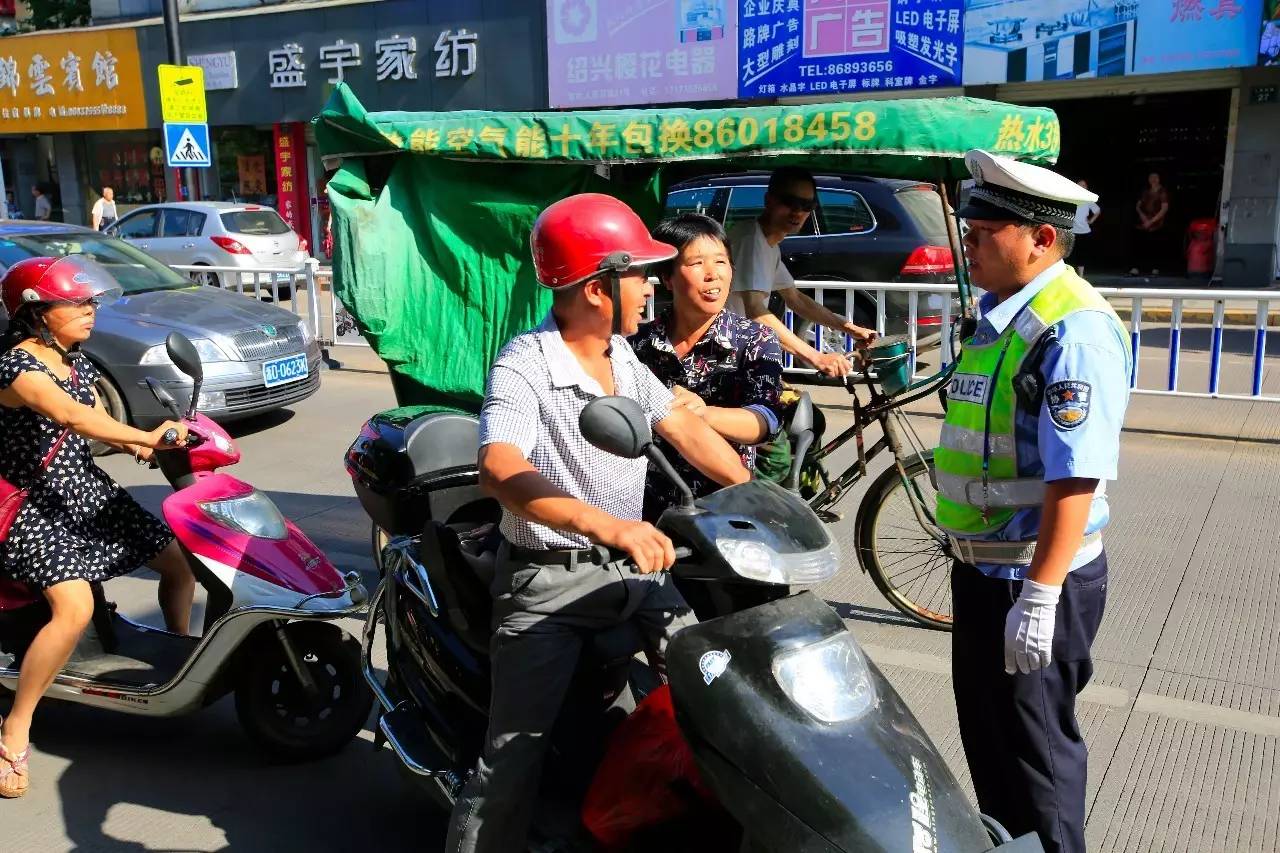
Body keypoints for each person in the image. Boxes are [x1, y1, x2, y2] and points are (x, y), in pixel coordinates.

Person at [445, 193, 751, 853]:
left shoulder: (622, 356)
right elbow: (498, 467)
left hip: (635, 569)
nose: (651, 284)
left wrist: (757, 495)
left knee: (720, 700)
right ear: (595, 288)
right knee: (510, 756)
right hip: (545, 582)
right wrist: (609, 526)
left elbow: (681, 425)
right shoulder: (525, 363)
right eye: (638, 272)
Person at [939, 150, 1131, 853]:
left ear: (1040, 239)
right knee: (992, 752)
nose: (970, 244)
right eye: (969, 228)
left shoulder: (1072, 327)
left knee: (1038, 760)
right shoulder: (996, 315)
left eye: (985, 232)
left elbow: (1073, 477)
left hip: (1032, 577)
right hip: (984, 574)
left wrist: (1043, 594)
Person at [0, 256, 197, 799]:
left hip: (83, 490)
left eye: (90, 302)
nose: (89, 311)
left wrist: (140, 441)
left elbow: (95, 430)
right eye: (77, 304)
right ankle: (17, 725)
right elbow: (71, 417)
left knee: (179, 564)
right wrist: (148, 437)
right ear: (36, 312)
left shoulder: (76, 359)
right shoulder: (16, 369)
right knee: (75, 607)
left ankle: (177, 657)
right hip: (31, 507)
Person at [629, 213, 785, 518]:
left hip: (723, 509)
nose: (712, 274)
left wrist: (704, 414)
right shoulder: (637, 344)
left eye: (721, 261)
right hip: (644, 510)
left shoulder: (754, 339)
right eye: (696, 263)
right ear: (668, 278)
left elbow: (765, 419)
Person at [725, 166, 876, 379]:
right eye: (789, 202)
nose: (797, 212)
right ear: (769, 200)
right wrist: (816, 357)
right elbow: (756, 312)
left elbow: (796, 299)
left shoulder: (768, 244)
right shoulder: (750, 241)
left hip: (739, 355)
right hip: (724, 360)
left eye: (806, 205)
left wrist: (850, 328)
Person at [1130, 171, 1169, 277]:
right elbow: (1138, 206)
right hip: (1143, 223)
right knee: (1139, 245)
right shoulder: (1146, 191)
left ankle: (1155, 269)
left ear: (1159, 179)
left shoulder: (1162, 191)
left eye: (1155, 177)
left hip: (1156, 224)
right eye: (1151, 177)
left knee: (1155, 246)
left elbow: (1164, 208)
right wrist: (1143, 217)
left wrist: (1151, 221)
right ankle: (1136, 268)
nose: (1153, 179)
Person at [1070, 179, 1100, 277]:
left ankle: (1081, 276)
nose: (1082, 187)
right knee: (1070, 254)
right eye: (1080, 185)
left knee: (1081, 255)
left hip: (1084, 232)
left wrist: (1091, 221)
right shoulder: (1071, 198)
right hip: (1071, 230)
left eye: (1084, 185)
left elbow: (1097, 210)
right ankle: (1070, 274)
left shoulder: (1088, 200)